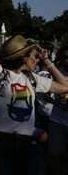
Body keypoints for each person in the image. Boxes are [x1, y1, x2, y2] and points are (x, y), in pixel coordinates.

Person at [0, 0, 68, 175]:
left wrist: (47, 60)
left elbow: (65, 86)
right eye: (34, 55)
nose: (37, 58)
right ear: (22, 57)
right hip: (0, 143)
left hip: (28, 145)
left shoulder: (34, 79)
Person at [47, 45, 68, 175]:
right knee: (54, 154)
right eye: (66, 57)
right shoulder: (56, 73)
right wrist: (54, 101)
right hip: (57, 121)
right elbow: (44, 94)